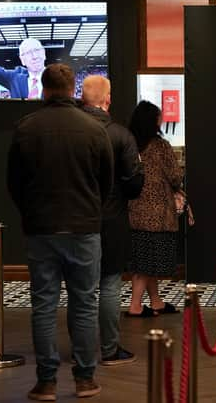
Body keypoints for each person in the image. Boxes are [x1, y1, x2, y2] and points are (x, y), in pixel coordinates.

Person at [6, 64, 114, 401]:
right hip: (84, 228)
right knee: (84, 304)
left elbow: (14, 183)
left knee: (43, 305)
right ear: (73, 89)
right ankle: (84, 379)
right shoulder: (94, 129)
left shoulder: (26, 128)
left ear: (43, 87)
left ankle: (46, 382)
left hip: (41, 229)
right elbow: (106, 182)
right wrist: (92, 211)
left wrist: (31, 213)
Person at [80, 76, 144, 365]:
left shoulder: (71, 131)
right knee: (109, 283)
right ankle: (109, 349)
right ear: (107, 99)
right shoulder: (120, 135)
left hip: (76, 218)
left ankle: (82, 352)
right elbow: (134, 184)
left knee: (80, 288)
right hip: (112, 218)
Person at [126, 100, 183, 317]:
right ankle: (135, 306)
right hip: (158, 213)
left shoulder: (130, 145)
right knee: (145, 265)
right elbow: (176, 176)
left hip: (135, 210)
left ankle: (156, 301)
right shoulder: (160, 146)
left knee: (145, 260)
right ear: (153, 121)